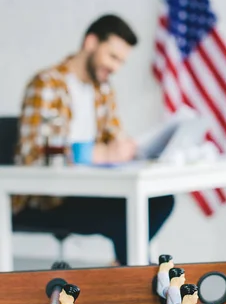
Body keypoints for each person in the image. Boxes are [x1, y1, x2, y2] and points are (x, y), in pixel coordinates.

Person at [11, 14, 174, 266]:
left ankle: (125, 270)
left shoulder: (103, 89)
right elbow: (33, 154)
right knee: (124, 216)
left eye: (121, 62)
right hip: (50, 199)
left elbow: (115, 138)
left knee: (161, 201)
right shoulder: (47, 83)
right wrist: (95, 153)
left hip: (93, 189)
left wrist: (127, 149)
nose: (115, 67)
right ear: (91, 43)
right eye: (112, 57)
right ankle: (134, 274)